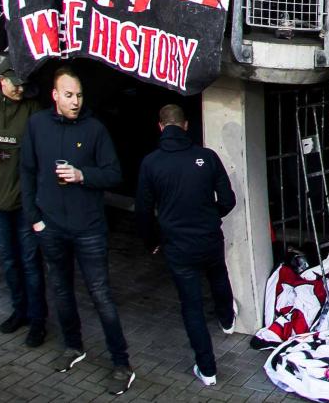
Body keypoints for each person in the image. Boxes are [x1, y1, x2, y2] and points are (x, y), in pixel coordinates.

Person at [21, 68, 134, 394]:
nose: (75, 101)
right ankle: (73, 347)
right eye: (68, 95)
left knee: (100, 295)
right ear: (55, 95)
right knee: (61, 290)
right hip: (51, 227)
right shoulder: (37, 125)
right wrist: (35, 220)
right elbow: (26, 172)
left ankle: (121, 363)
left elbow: (114, 174)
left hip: (89, 230)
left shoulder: (95, 129)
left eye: (79, 95)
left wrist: (82, 175)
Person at [134, 104, 237, 388]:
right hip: (208, 237)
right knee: (218, 275)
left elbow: (143, 210)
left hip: (177, 246)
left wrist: (152, 241)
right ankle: (227, 320)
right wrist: (210, 216)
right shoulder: (206, 157)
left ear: (160, 126)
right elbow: (228, 200)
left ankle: (208, 370)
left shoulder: (151, 163)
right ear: (186, 126)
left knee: (191, 306)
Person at [0, 55, 45, 344]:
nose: (20, 90)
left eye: (24, 85)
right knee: (9, 262)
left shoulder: (32, 108)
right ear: (2, 81)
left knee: (30, 262)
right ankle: (20, 312)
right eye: (15, 85)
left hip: (24, 204)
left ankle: (38, 321)